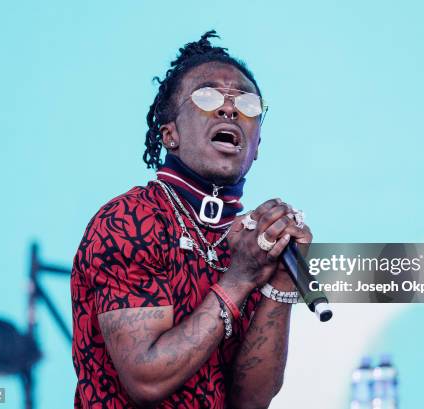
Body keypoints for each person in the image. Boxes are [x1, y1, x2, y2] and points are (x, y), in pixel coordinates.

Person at [71, 31, 312, 409]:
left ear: (257, 145)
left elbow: (249, 401)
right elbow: (146, 379)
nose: (230, 109)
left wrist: (279, 284)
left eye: (247, 103)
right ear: (170, 134)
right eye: (207, 96)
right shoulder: (130, 218)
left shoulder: (249, 242)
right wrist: (241, 279)